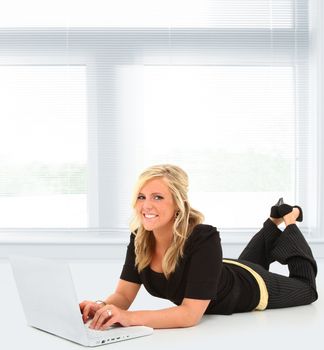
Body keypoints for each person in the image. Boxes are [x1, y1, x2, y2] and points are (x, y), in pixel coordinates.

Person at [80, 164, 318, 330]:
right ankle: (273, 221)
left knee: (307, 290)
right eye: (141, 197)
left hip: (252, 287)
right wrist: (102, 308)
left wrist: (128, 318)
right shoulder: (141, 238)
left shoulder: (204, 237)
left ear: (179, 203)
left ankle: (289, 220)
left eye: (158, 197)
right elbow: (122, 295)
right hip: (223, 272)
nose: (146, 205)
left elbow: (190, 314)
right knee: (249, 263)